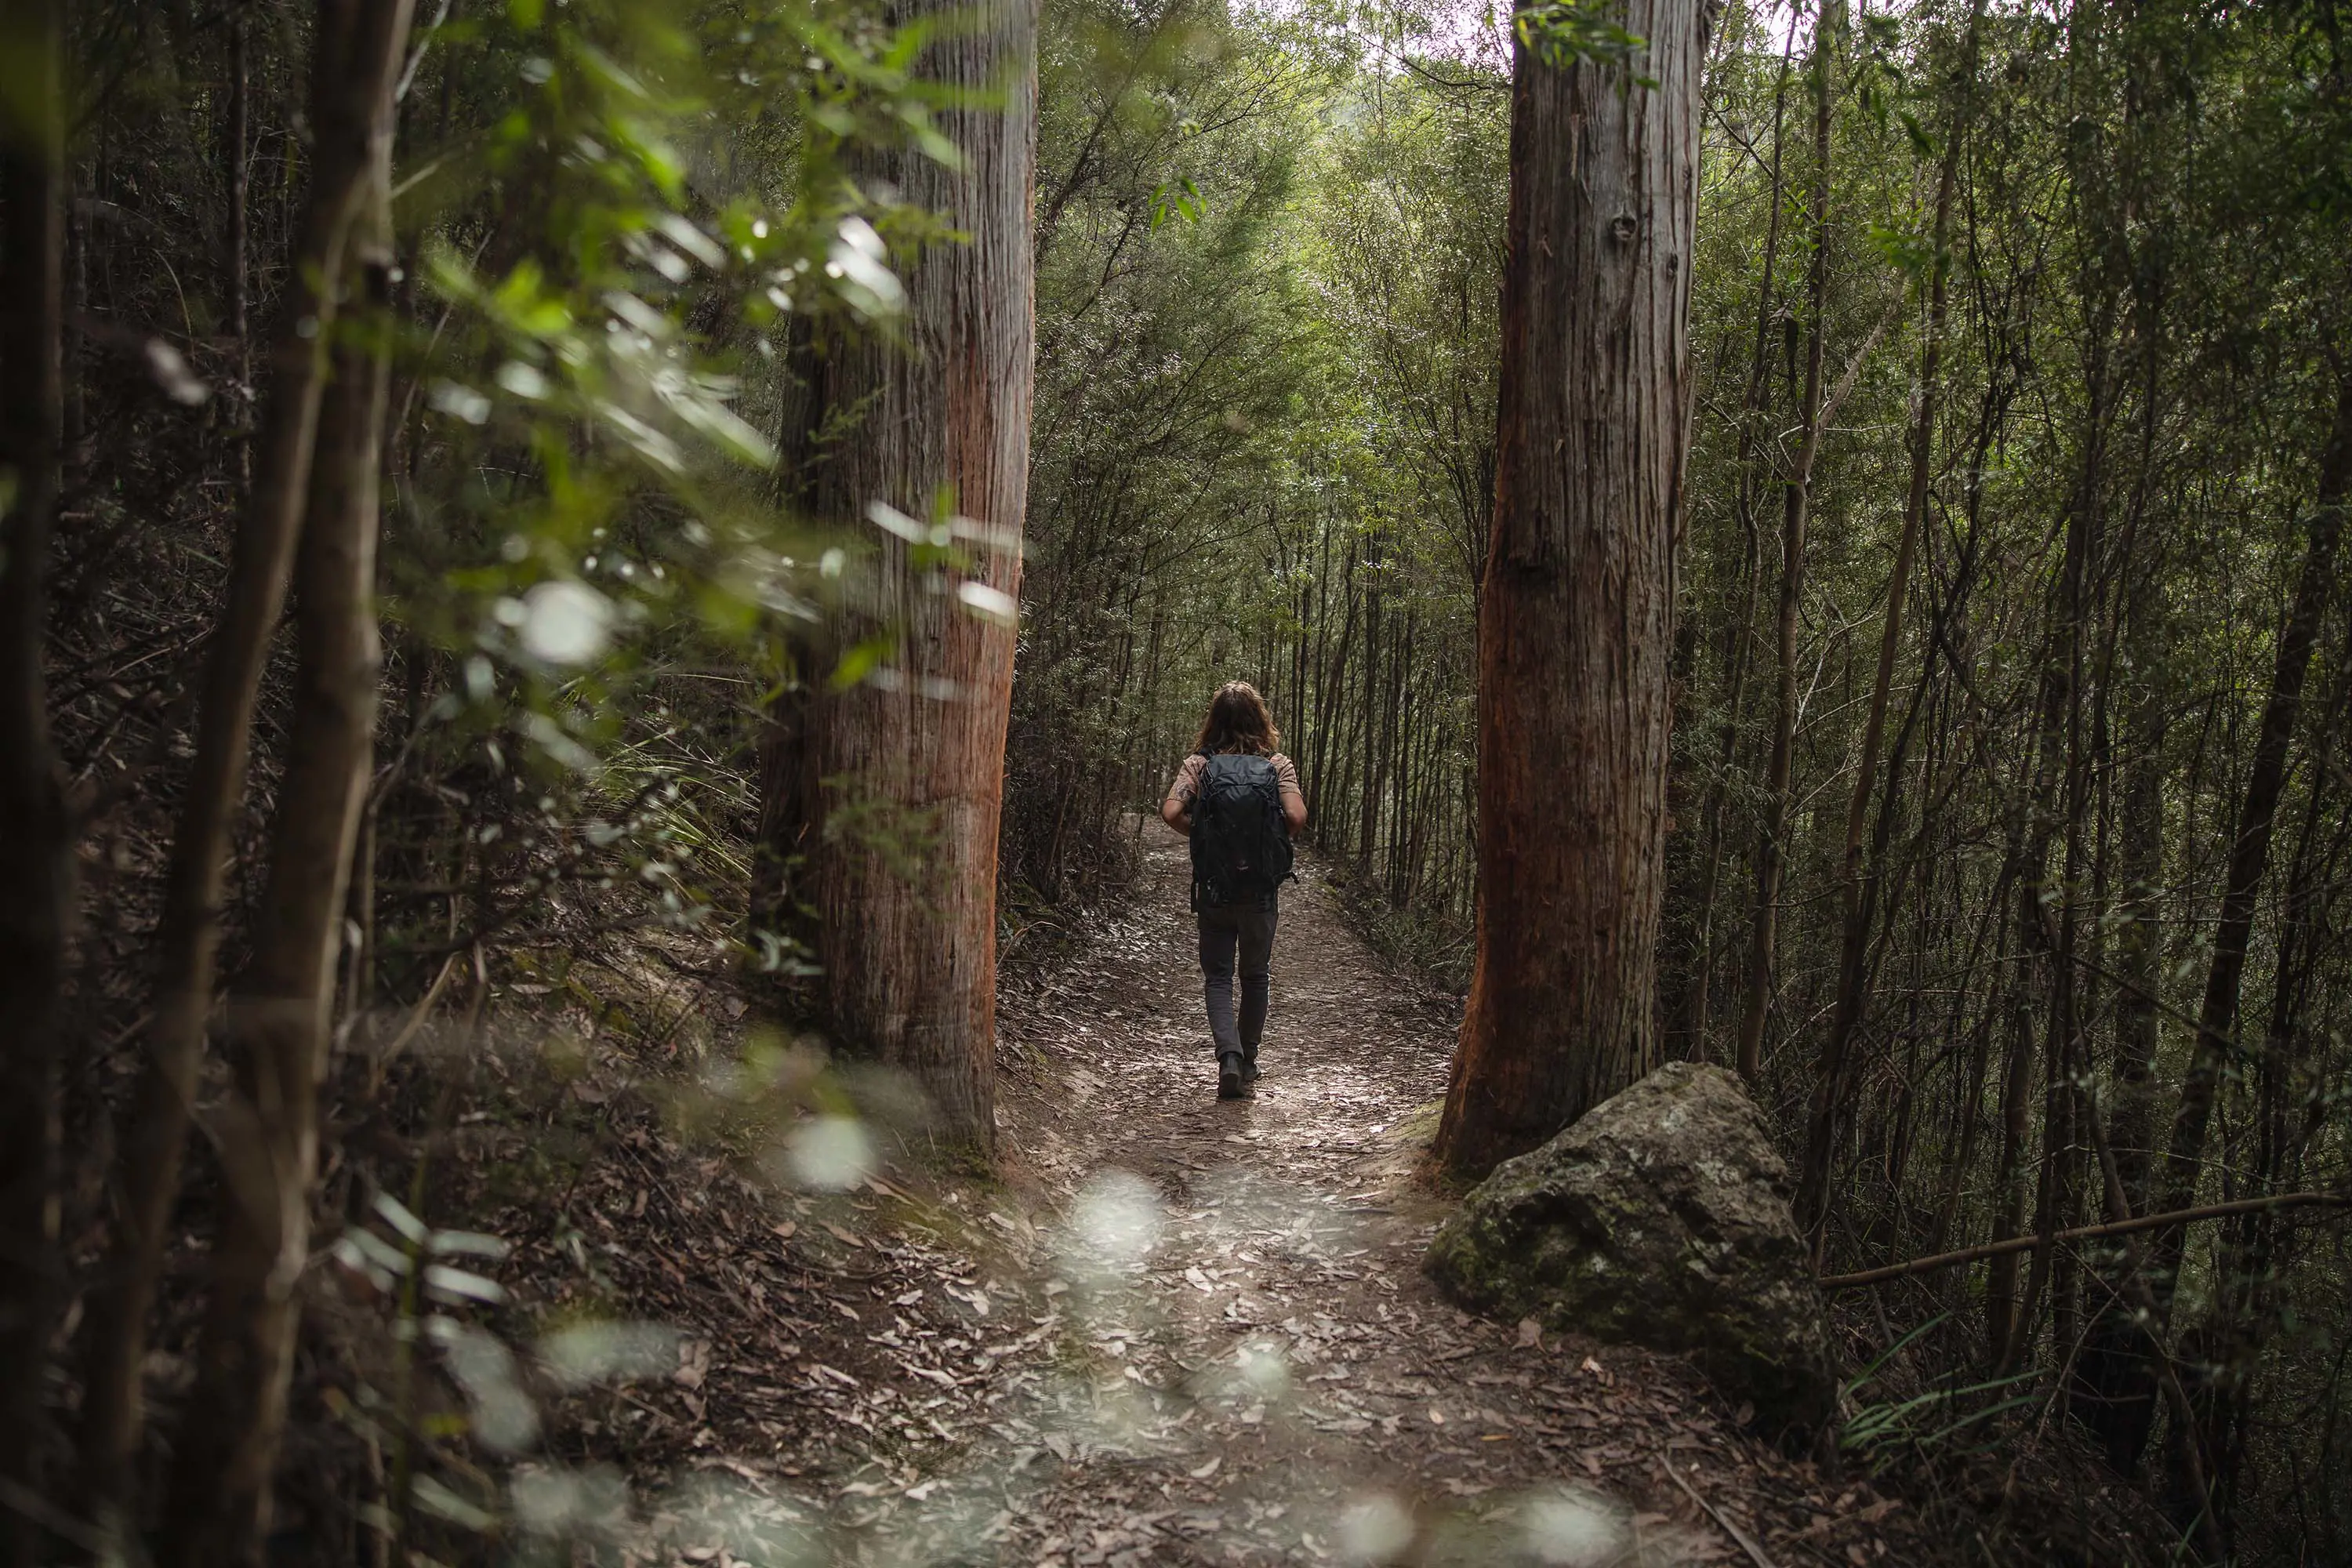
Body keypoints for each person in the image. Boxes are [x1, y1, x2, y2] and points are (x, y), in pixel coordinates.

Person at [1161, 681, 1308, 1100]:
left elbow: (1171, 811)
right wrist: (1265, 841)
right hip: (1260, 889)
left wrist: (1204, 836)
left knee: (1219, 977)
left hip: (1215, 889)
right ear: (1259, 718)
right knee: (1256, 975)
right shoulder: (1276, 763)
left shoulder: (1200, 764)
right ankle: (1248, 1060)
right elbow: (1296, 817)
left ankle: (1227, 1056)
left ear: (1214, 721)